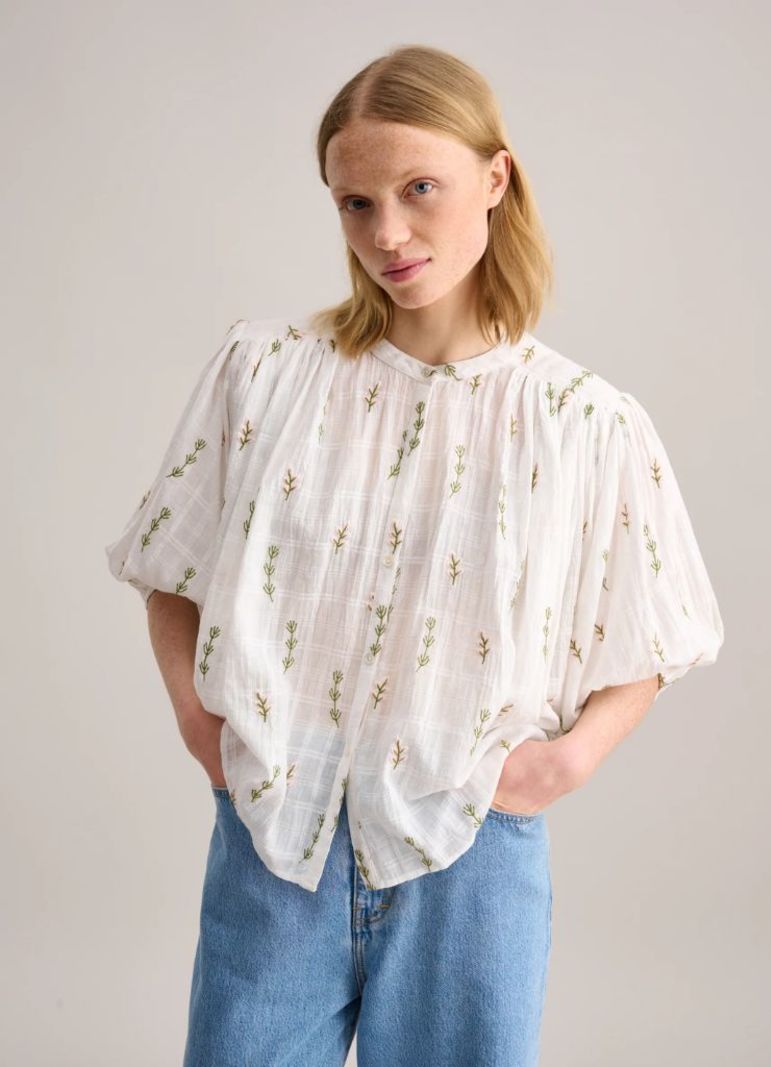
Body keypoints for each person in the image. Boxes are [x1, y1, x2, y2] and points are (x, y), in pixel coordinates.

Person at [104, 43, 724, 1067]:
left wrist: (566, 761)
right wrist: (197, 722)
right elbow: (171, 565)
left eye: (418, 189)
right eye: (355, 203)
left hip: (467, 857)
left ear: (495, 178)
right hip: (275, 841)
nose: (385, 233)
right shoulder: (266, 373)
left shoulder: (582, 421)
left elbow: (661, 627)